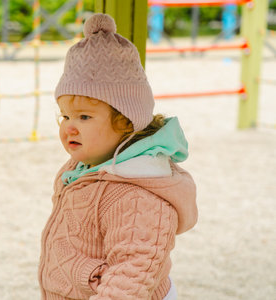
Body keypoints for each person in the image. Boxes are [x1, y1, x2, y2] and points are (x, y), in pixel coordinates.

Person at [38, 13, 198, 300]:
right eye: (65, 115)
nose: (69, 126)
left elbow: (132, 275)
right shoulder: (83, 167)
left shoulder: (137, 193)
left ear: (126, 122)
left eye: (85, 116)